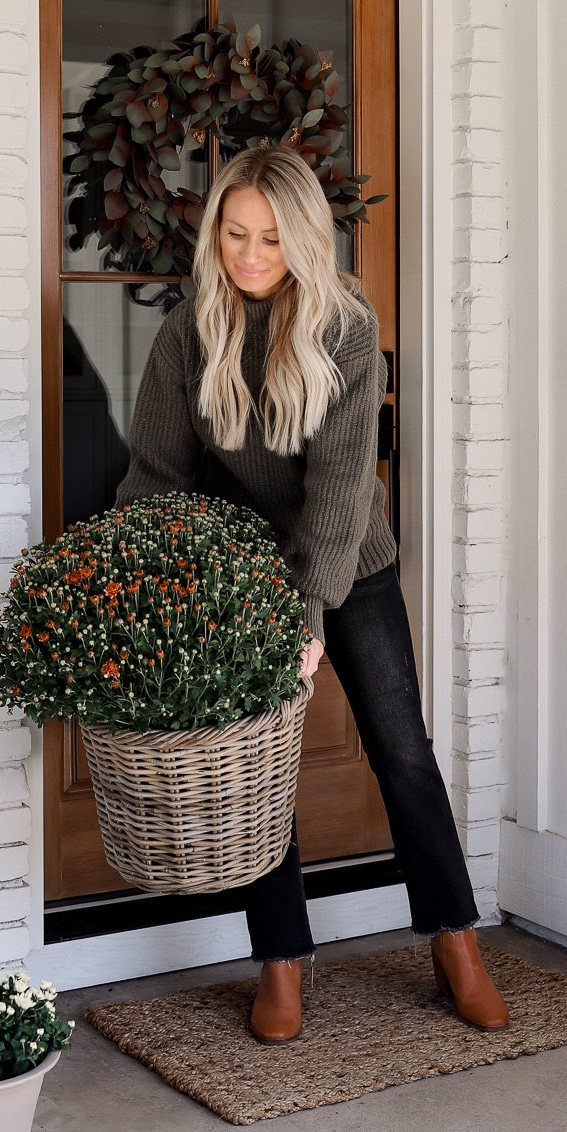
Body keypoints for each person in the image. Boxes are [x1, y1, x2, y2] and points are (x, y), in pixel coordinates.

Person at [115, 144, 509, 1044]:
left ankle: (455, 939)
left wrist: (309, 616)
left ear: (304, 240)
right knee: (262, 768)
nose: (251, 257)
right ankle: (282, 960)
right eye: (236, 234)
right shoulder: (191, 332)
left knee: (401, 749)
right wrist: (144, 581)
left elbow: (340, 488)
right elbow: (157, 473)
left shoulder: (345, 327)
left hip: (348, 564)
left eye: (272, 240)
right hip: (246, 570)